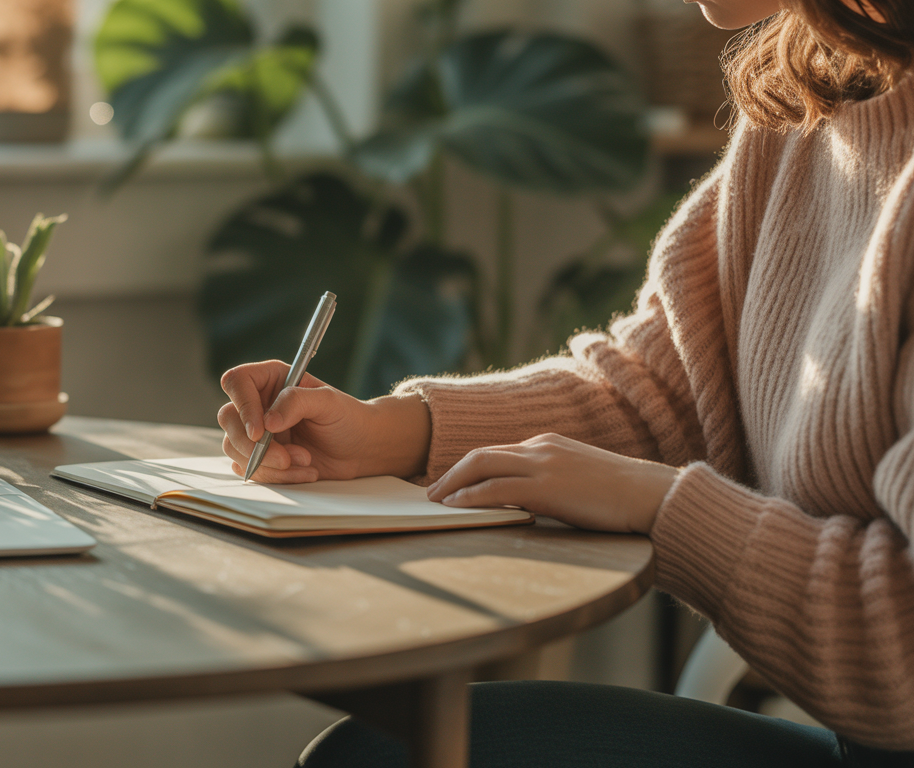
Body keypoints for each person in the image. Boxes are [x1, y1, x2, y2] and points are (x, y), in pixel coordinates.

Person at [216, 0, 914, 764]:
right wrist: (395, 431)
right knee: (377, 756)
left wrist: (660, 507)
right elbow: (663, 389)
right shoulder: (813, 98)